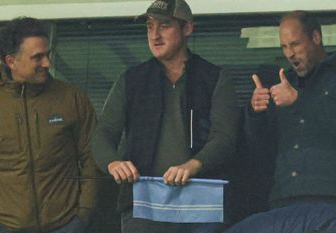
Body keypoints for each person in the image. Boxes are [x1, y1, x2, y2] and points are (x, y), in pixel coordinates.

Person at [225, 10, 336, 233]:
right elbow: (259, 150)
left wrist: (300, 100)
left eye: (295, 44)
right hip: (283, 205)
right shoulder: (284, 83)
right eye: (284, 47)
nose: (289, 54)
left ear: (316, 38)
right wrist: (255, 112)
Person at [92, 0, 240, 232]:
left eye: (165, 26)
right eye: (150, 27)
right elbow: (103, 134)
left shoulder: (214, 77)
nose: (155, 35)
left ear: (187, 28)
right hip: (144, 201)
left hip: (201, 201)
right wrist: (112, 163)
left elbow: (226, 137)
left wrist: (193, 165)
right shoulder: (131, 80)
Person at [0, 17, 98, 233]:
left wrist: (84, 214)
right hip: (5, 226)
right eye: (37, 57)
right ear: (11, 61)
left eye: (47, 55)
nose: (47, 63)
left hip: (67, 224)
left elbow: (91, 159)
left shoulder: (72, 99)